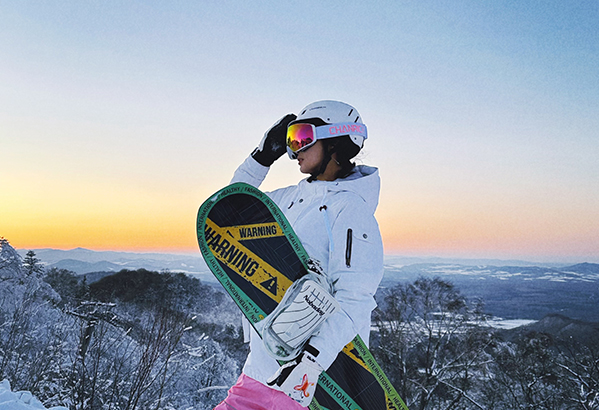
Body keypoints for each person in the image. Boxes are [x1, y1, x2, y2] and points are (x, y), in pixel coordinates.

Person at [213, 100, 384, 409]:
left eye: (303, 137)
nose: (294, 151)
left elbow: (355, 298)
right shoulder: (290, 198)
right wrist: (261, 158)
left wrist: (311, 363)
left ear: (335, 142)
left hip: (305, 382)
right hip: (262, 367)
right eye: (291, 140)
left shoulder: (351, 210)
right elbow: (229, 212)